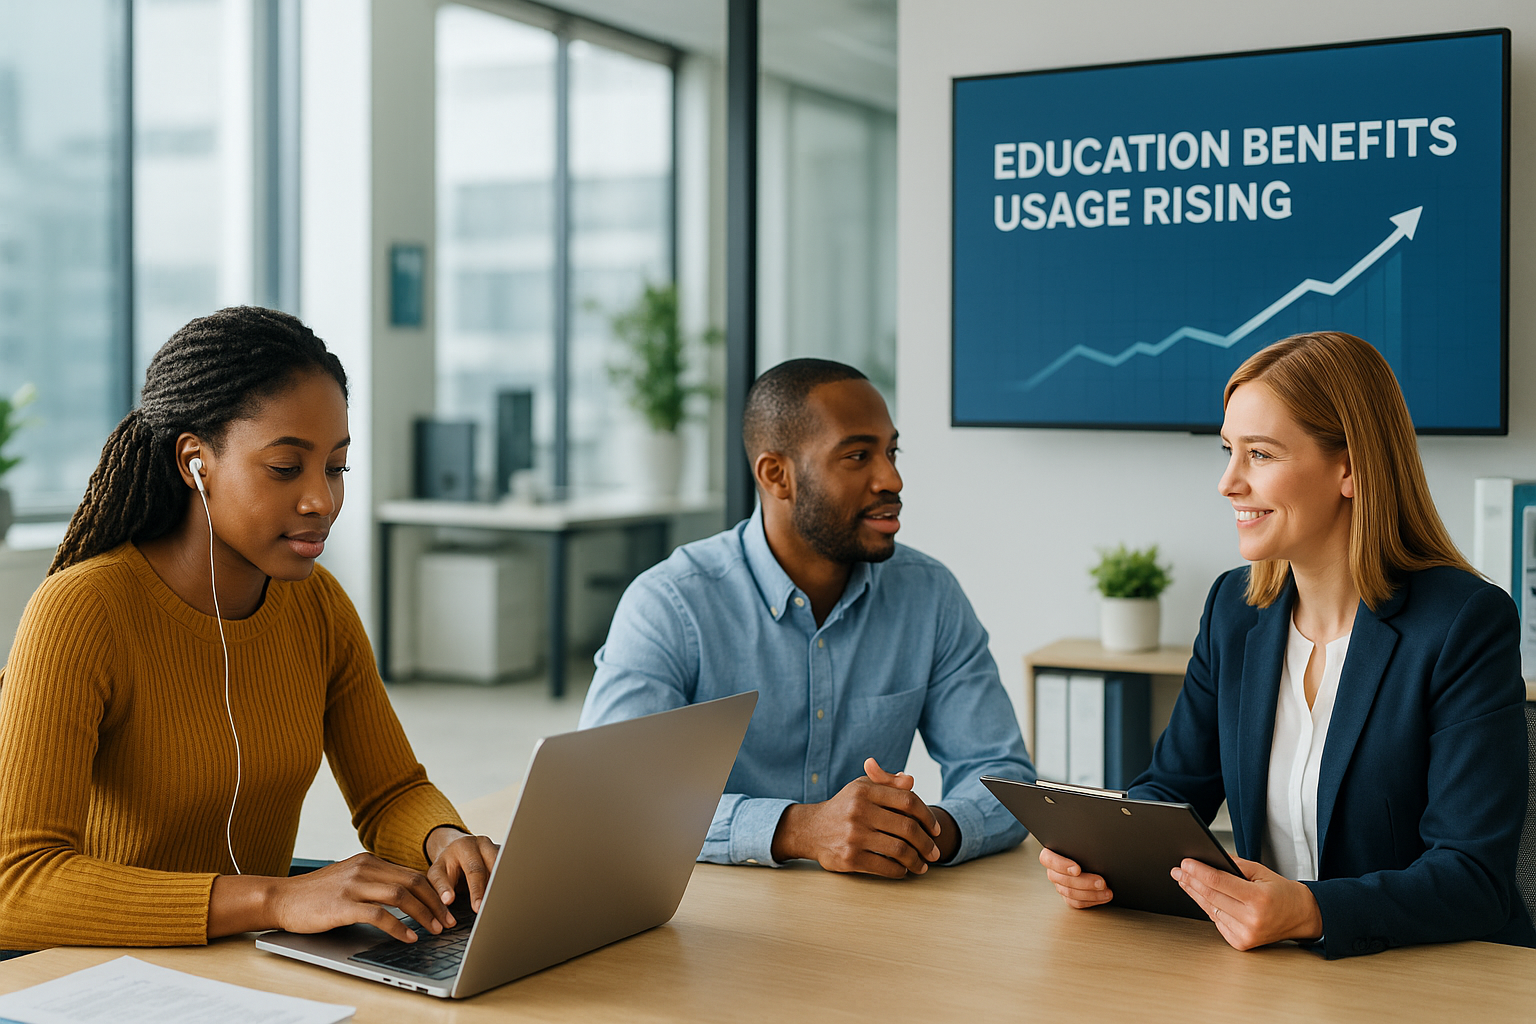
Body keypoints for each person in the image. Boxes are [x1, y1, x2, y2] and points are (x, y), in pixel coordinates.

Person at [0, 308, 498, 951]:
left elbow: (390, 791)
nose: (322, 500)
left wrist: (445, 840)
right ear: (194, 462)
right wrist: (276, 897)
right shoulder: (81, 613)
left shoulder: (317, 605)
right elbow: (16, 885)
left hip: (249, 954)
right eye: (286, 468)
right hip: (100, 970)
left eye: (336, 467)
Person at [1040, 331, 1536, 958]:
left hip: (1430, 976)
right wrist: (1102, 856)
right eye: (1227, 451)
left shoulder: (1464, 623)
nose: (1228, 482)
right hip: (1273, 974)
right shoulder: (1234, 610)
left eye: (1261, 454)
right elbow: (1171, 792)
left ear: (1351, 467)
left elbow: (1473, 878)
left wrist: (1308, 909)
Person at [580, 358, 1034, 876]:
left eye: (891, 451)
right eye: (858, 456)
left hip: (872, 915)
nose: (892, 478)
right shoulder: (669, 603)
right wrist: (796, 829)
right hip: (711, 918)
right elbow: (609, 795)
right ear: (777, 475)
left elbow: (1004, 780)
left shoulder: (929, 595)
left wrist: (918, 831)